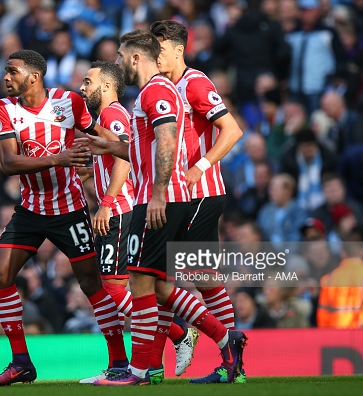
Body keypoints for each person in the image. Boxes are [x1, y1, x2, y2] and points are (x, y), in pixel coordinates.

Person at [82, 29, 247, 386]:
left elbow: (170, 139)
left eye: (121, 56)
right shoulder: (156, 91)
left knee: (149, 282)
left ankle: (155, 364)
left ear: (136, 58)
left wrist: (160, 192)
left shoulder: (160, 90)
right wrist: (109, 148)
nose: (118, 63)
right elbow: (145, 150)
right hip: (168, 195)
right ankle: (182, 355)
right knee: (153, 282)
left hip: (171, 196)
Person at [0, 49, 125, 387]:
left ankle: (119, 361)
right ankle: (21, 362)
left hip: (70, 209)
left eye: (12, 71)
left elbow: (97, 136)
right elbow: (8, 164)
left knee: (93, 285)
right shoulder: (4, 109)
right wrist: (58, 158)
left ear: (33, 77)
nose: (6, 77)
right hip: (31, 209)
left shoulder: (68, 103)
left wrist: (122, 149)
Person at [77, 60, 198, 383]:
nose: (82, 87)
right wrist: (91, 172)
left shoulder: (114, 114)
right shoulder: (107, 117)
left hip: (120, 210)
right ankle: (129, 362)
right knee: (123, 287)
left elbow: (124, 160)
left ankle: (177, 334)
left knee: (117, 289)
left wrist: (105, 203)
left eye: (88, 82)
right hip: (120, 209)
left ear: (106, 87)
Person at [150, 19, 246, 385]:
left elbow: (232, 129)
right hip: (179, 196)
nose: (155, 56)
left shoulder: (195, 82)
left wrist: (200, 166)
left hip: (201, 193)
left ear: (177, 50)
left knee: (178, 277)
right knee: (191, 279)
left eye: (159, 50)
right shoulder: (162, 87)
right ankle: (229, 361)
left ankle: (227, 358)